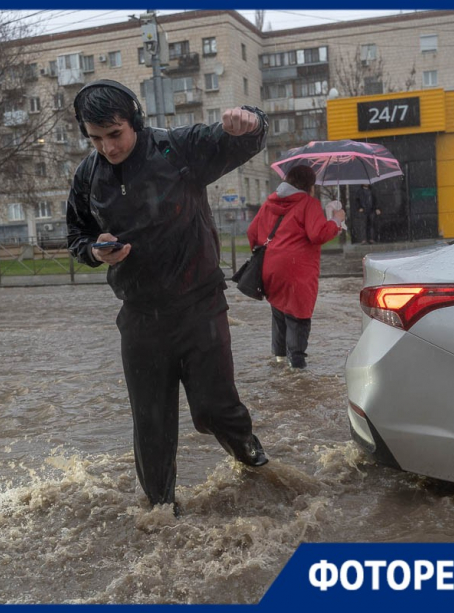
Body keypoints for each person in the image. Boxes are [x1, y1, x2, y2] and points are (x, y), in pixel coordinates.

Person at [66, 79, 269, 515]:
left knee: (214, 409)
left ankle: (253, 460)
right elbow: (76, 234)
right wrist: (94, 251)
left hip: (199, 307)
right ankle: (161, 512)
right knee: (151, 425)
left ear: (134, 122)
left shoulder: (177, 150)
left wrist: (250, 121)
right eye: (96, 138)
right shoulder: (89, 175)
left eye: (114, 134)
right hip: (139, 316)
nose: (107, 147)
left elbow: (240, 138)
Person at [246, 165, 345, 369]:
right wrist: (337, 220)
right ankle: (297, 367)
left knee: (279, 312)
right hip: (297, 270)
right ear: (309, 186)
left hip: (270, 268)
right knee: (298, 315)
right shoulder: (308, 204)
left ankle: (279, 360)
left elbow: (251, 232)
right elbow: (317, 234)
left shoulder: (269, 202)